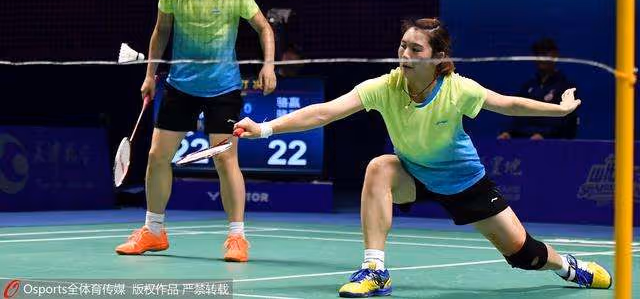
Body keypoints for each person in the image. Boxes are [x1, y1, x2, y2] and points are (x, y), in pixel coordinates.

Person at [234, 18, 611, 296]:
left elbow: (508, 104)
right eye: (403, 46)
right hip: (414, 175)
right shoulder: (386, 86)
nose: (406, 55)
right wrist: (265, 129)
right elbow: (324, 112)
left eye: (416, 50)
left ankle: (568, 267)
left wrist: (559, 111)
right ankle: (374, 270)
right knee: (380, 167)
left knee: (524, 255)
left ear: (438, 57)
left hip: (464, 183)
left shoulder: (458, 89)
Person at [115, 0, 277, 263]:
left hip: (222, 87)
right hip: (180, 85)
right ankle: (153, 231)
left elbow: (263, 27)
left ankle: (237, 237)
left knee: (225, 159)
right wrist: (149, 75)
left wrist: (268, 66)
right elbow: (161, 31)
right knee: (157, 156)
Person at [498, 38, 578, 140]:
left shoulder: (566, 87)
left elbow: (567, 121)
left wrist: (545, 135)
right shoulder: (528, 86)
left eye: (545, 54)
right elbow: (517, 113)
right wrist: (508, 132)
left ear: (555, 55)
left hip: (552, 143)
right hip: (525, 142)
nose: (541, 58)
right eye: (537, 54)